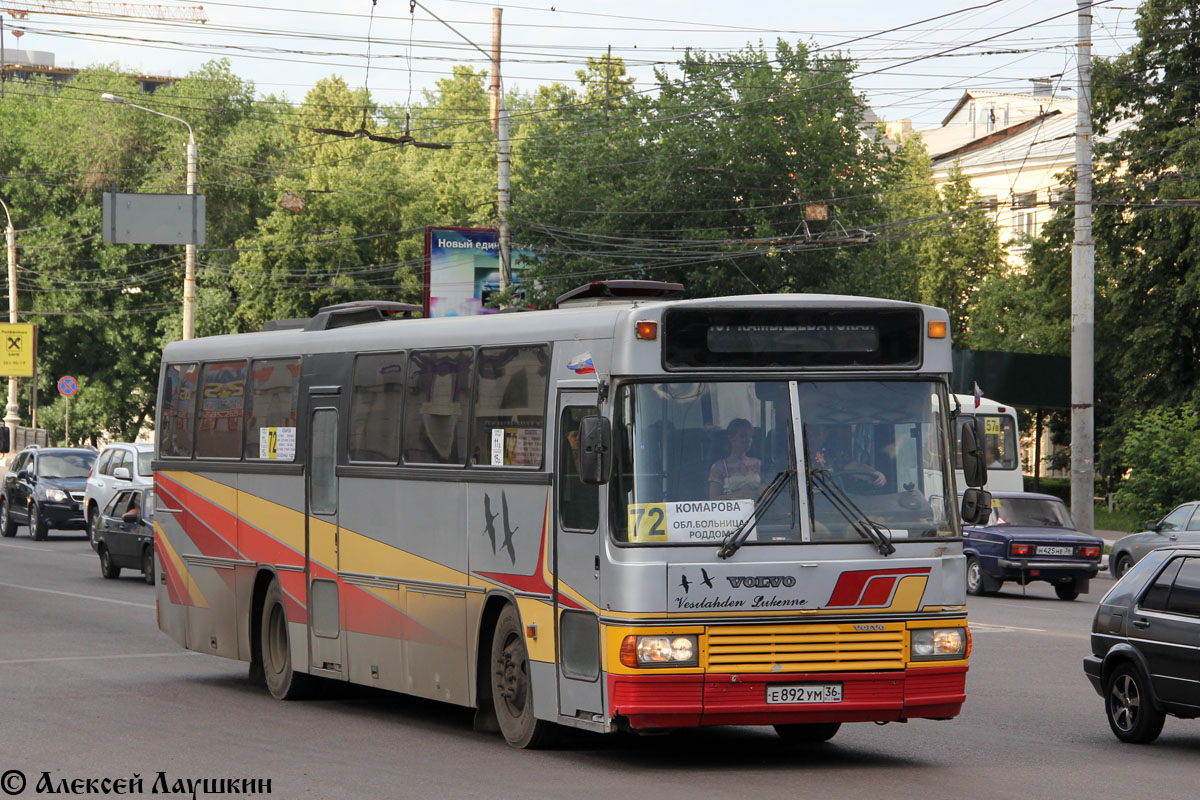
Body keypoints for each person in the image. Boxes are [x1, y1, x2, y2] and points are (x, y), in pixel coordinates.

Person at [807, 424, 885, 487]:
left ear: (825, 435)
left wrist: (876, 474)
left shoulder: (832, 455)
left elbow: (856, 467)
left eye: (816, 434)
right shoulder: (797, 457)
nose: (812, 438)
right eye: (809, 434)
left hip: (835, 502)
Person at [709, 418, 762, 500]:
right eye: (743, 436)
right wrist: (740, 494)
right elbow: (713, 500)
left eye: (750, 436)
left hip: (759, 510)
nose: (748, 440)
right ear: (731, 438)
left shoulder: (758, 463)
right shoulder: (718, 467)